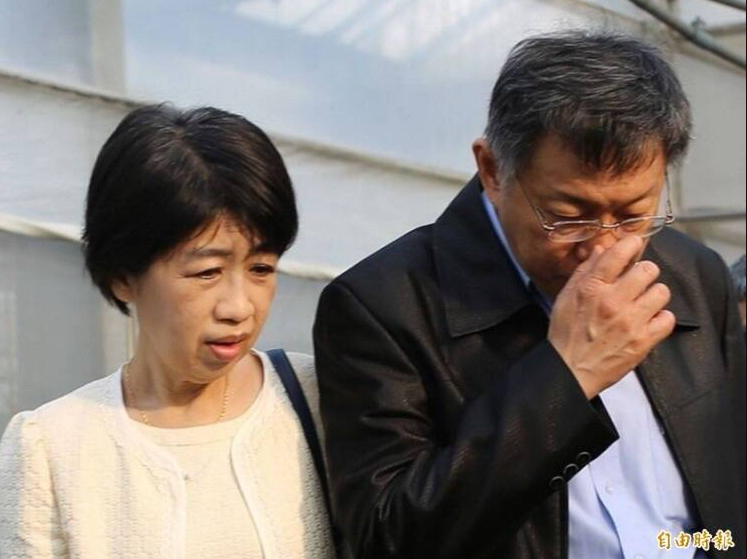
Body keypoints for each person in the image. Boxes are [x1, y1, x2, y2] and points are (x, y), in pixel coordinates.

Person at [314, 31, 745, 558]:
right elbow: (388, 538)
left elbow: (729, 486)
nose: (604, 247)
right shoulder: (381, 306)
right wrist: (567, 377)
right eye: (568, 216)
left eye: (634, 214)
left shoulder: (694, 274)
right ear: (493, 170)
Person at [0, 105, 336, 558]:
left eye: (261, 268)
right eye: (207, 272)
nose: (239, 308)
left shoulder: (318, 398)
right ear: (123, 276)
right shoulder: (52, 446)